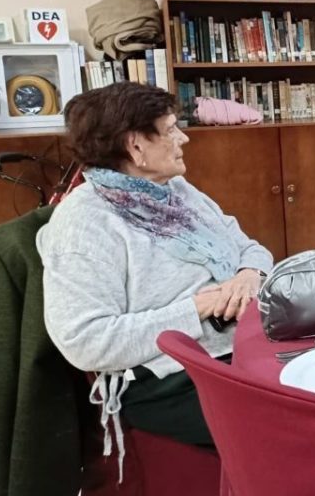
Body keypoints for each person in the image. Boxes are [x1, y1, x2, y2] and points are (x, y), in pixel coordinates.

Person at [37, 82, 274, 451]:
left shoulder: (175, 191)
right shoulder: (83, 224)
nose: (184, 139)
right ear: (135, 146)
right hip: (167, 378)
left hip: (239, 343)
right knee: (311, 421)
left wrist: (248, 275)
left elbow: (249, 247)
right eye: (170, 130)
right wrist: (199, 308)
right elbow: (86, 341)